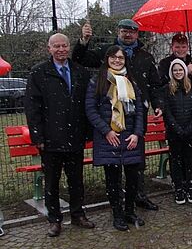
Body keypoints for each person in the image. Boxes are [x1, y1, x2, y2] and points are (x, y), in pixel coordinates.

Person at [73, 18, 161, 211]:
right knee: (113, 166)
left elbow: (154, 84)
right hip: (110, 119)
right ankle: (117, 205)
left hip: (136, 115)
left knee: (135, 161)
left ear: (137, 34)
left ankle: (138, 195)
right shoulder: (108, 51)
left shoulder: (145, 56)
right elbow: (80, 58)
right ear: (118, 32)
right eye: (124, 31)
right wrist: (84, 40)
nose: (128, 34)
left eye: (132, 31)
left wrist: (157, 104)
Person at [25, 33, 95, 237]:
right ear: (49, 49)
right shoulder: (39, 73)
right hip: (51, 139)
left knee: (76, 180)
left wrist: (87, 132)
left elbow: (87, 104)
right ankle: (54, 219)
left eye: (64, 45)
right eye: (56, 46)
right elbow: (32, 107)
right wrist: (38, 137)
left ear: (69, 46)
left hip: (75, 136)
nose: (61, 49)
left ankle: (77, 214)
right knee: (52, 182)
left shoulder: (80, 71)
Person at [85, 45, 145, 231]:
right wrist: (106, 131)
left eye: (120, 57)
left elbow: (139, 110)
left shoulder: (131, 82)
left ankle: (129, 211)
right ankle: (117, 214)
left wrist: (136, 133)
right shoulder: (98, 81)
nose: (117, 60)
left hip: (130, 138)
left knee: (133, 178)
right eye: (113, 57)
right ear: (107, 59)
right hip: (109, 137)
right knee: (113, 180)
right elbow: (90, 109)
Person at [162, 59, 192, 204]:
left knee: (188, 159)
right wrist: (177, 128)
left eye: (180, 70)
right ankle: (178, 187)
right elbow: (167, 112)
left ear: (184, 71)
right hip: (174, 132)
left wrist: (190, 127)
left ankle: (190, 185)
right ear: (171, 72)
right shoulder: (167, 89)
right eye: (175, 70)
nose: (178, 72)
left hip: (190, 131)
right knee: (176, 160)